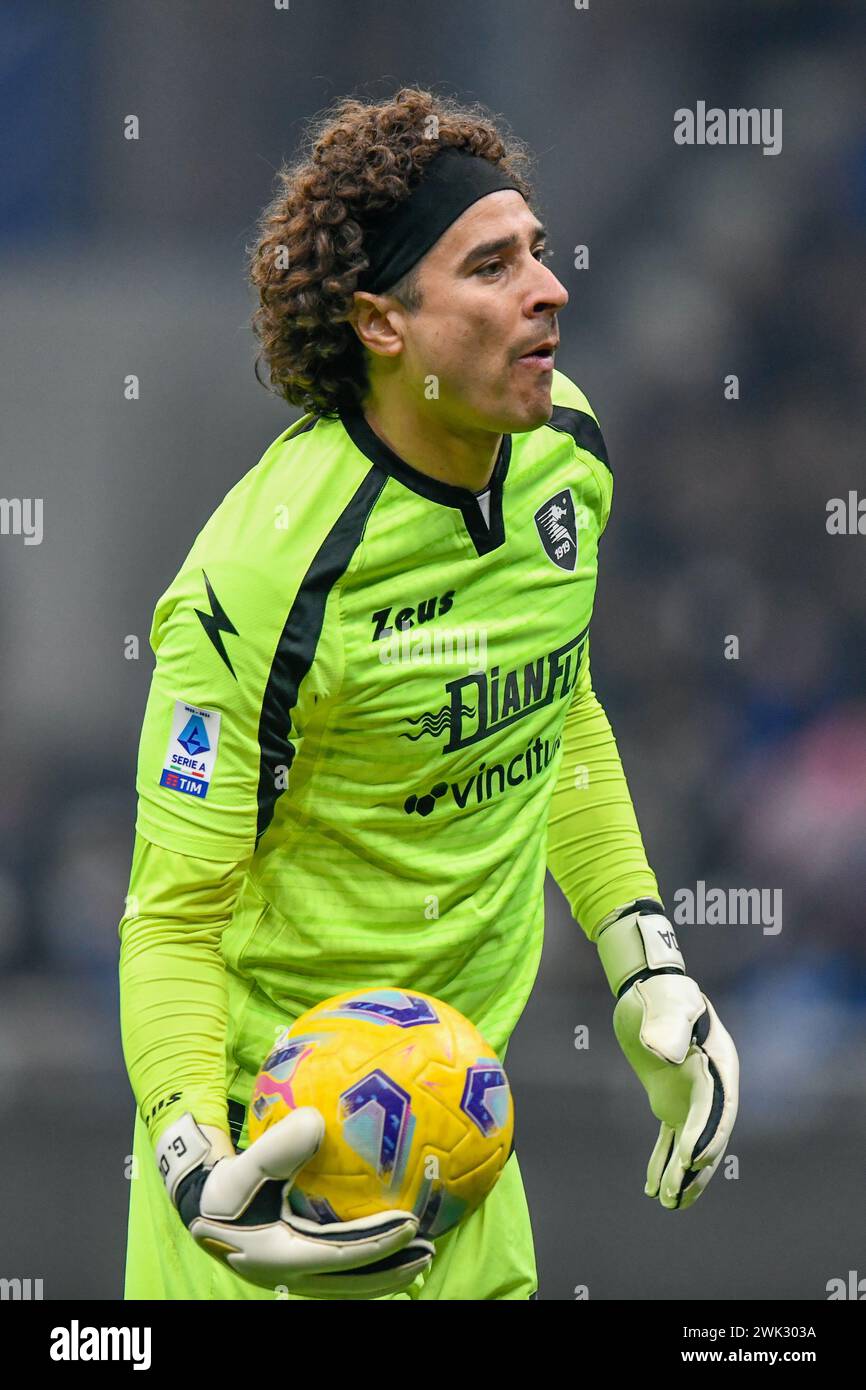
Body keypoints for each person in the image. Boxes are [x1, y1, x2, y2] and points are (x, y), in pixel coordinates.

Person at [119, 85, 739, 1301]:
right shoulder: (259, 580)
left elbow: (555, 708)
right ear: (381, 323)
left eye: (540, 255)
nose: (548, 289)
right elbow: (171, 918)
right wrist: (200, 1170)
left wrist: (645, 957)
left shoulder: (569, 450)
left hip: (460, 1147)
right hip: (269, 1183)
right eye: (492, 266)